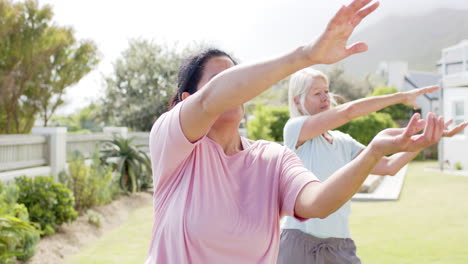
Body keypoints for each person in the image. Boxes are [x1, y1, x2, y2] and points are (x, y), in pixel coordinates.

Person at [145, 1, 448, 263]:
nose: (233, 90)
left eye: (235, 77)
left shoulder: (272, 158)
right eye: (219, 80)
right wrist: (306, 56)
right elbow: (213, 99)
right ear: (187, 102)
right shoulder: (172, 145)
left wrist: (374, 151)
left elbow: (317, 202)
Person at [277, 68, 468, 264]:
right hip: (298, 243)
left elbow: (389, 166)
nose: (325, 97)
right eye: (317, 93)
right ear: (297, 101)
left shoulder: (343, 141)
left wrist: (427, 139)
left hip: (339, 245)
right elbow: (348, 112)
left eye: (327, 91)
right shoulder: (295, 130)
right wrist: (401, 97)